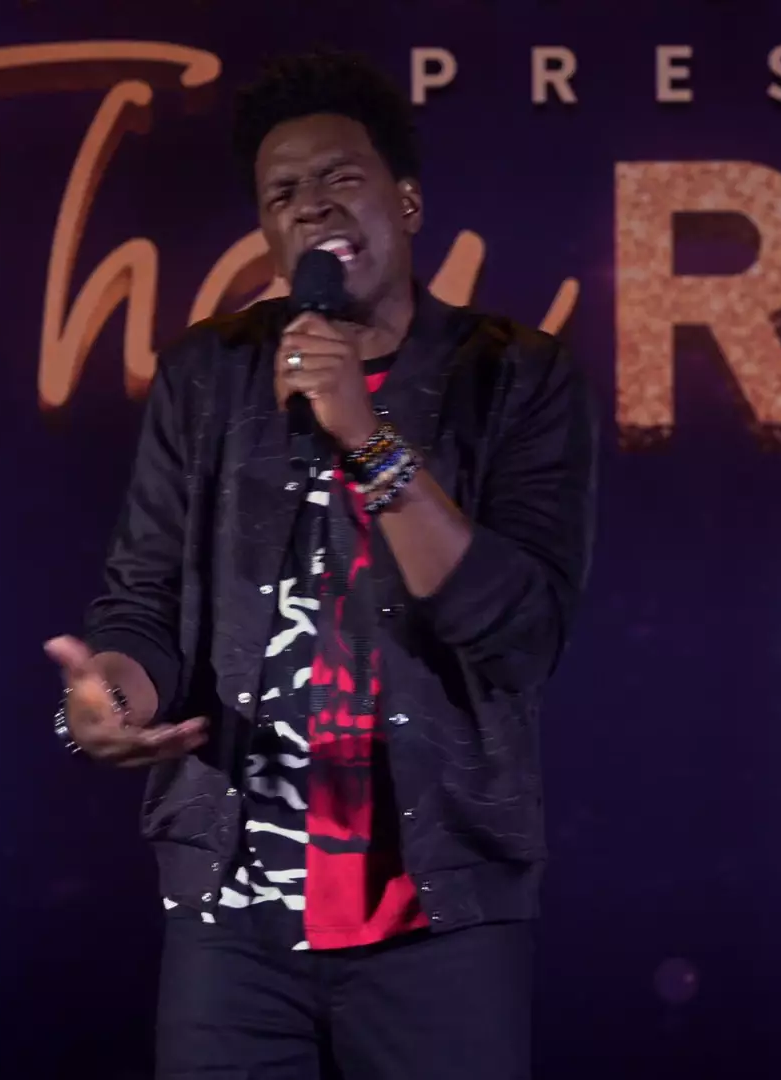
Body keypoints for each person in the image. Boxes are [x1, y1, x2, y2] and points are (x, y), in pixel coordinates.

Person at [43, 49, 595, 1080]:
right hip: (232, 915)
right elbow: (145, 603)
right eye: (282, 193)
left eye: (341, 177)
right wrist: (112, 699)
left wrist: (367, 438)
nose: (311, 205)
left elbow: (519, 633)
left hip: (440, 911)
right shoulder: (206, 376)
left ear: (408, 200)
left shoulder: (515, 377)